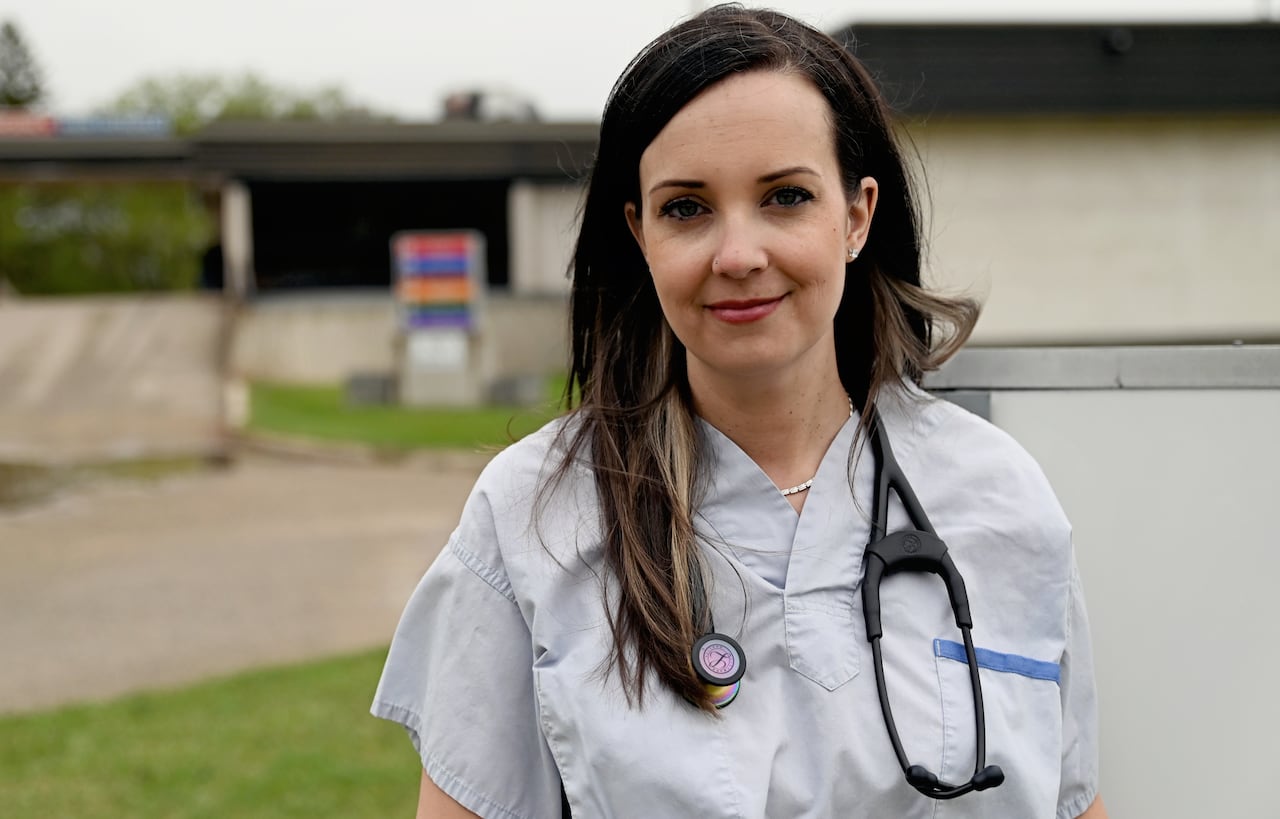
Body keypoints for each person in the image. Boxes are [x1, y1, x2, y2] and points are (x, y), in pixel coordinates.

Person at [372, 5, 1107, 817]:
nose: (738, 255)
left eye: (786, 196)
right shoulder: (532, 516)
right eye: (686, 207)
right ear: (640, 232)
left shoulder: (999, 496)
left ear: (857, 216)